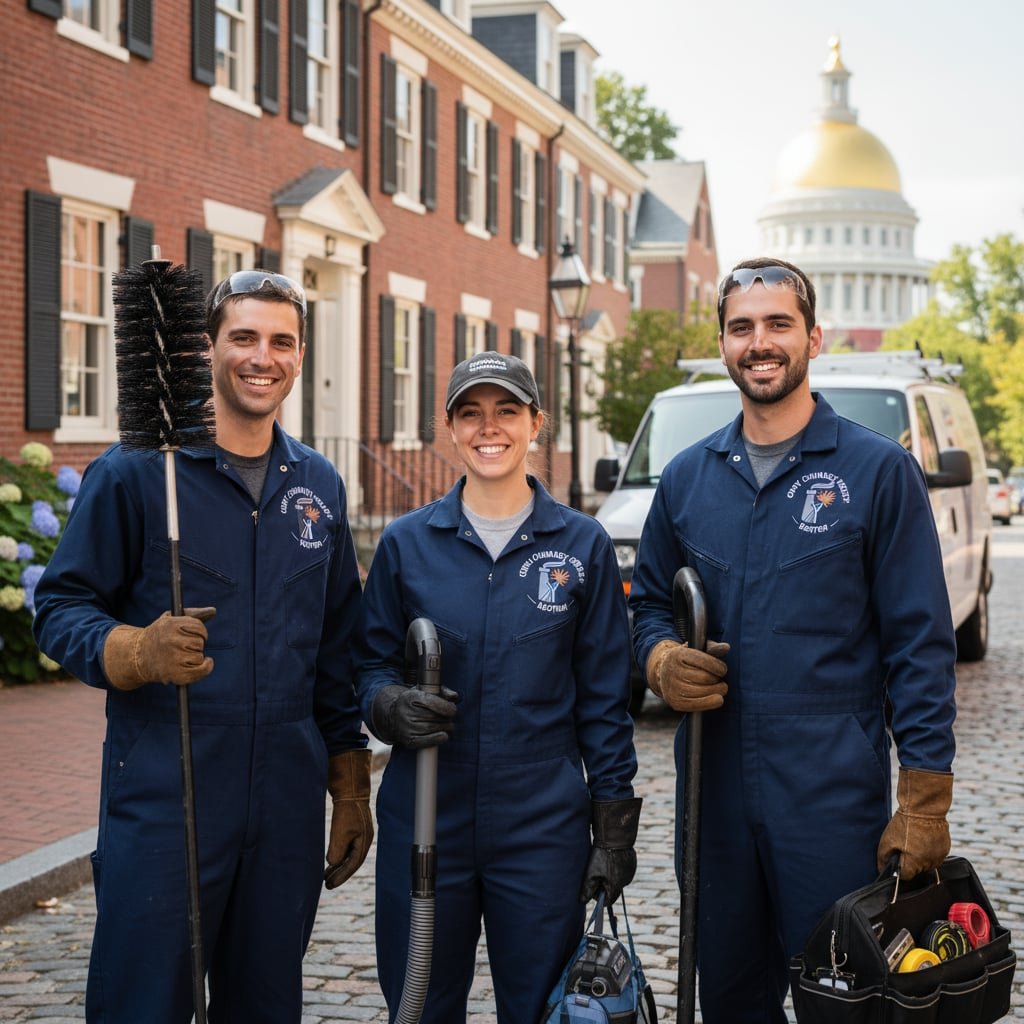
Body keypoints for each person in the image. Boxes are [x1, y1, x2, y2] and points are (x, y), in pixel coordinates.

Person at [32, 270, 373, 1024]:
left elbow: (338, 646)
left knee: (265, 1005)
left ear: (300, 354)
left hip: (284, 797)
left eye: (281, 341)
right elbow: (59, 606)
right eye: (244, 337)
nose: (263, 357)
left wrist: (349, 780)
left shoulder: (317, 484)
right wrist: (132, 650)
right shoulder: (135, 472)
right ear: (207, 347)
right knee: (141, 1005)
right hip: (168, 786)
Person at [629, 258, 957, 1023]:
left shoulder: (877, 473)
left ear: (813, 337)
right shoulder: (686, 479)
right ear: (723, 345)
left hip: (831, 793)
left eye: (778, 324)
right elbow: (645, 602)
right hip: (713, 788)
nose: (760, 342)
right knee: (733, 999)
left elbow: (921, 641)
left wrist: (924, 796)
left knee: (843, 997)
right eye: (742, 327)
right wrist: (658, 657)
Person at [354, 351, 641, 1023]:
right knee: (420, 1002)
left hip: (541, 821)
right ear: (450, 428)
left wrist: (614, 821)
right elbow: (367, 668)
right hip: (427, 811)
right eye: (471, 413)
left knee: (542, 1007)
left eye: (507, 411)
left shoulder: (581, 546)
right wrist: (387, 706)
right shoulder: (406, 545)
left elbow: (604, 699)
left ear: (535, 423)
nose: (490, 428)